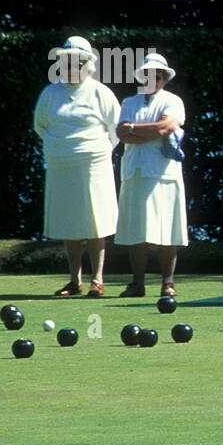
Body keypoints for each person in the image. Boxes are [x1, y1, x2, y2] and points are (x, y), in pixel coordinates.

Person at [33, 35, 119, 297]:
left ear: (87, 64)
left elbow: (115, 129)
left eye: (78, 62)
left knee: (96, 224)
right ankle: (74, 280)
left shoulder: (100, 92)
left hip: (94, 164)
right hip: (61, 165)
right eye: (68, 61)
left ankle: (98, 280)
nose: (73, 66)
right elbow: (41, 126)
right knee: (69, 224)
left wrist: (94, 151)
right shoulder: (50, 94)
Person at [114, 53, 188, 297]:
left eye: (156, 75)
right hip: (135, 171)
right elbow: (121, 134)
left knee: (167, 230)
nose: (151, 79)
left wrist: (134, 128)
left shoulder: (173, 101)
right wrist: (149, 130)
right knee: (137, 232)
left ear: (164, 78)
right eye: (146, 74)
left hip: (164, 173)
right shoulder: (128, 103)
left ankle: (168, 283)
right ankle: (137, 284)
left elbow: (165, 127)